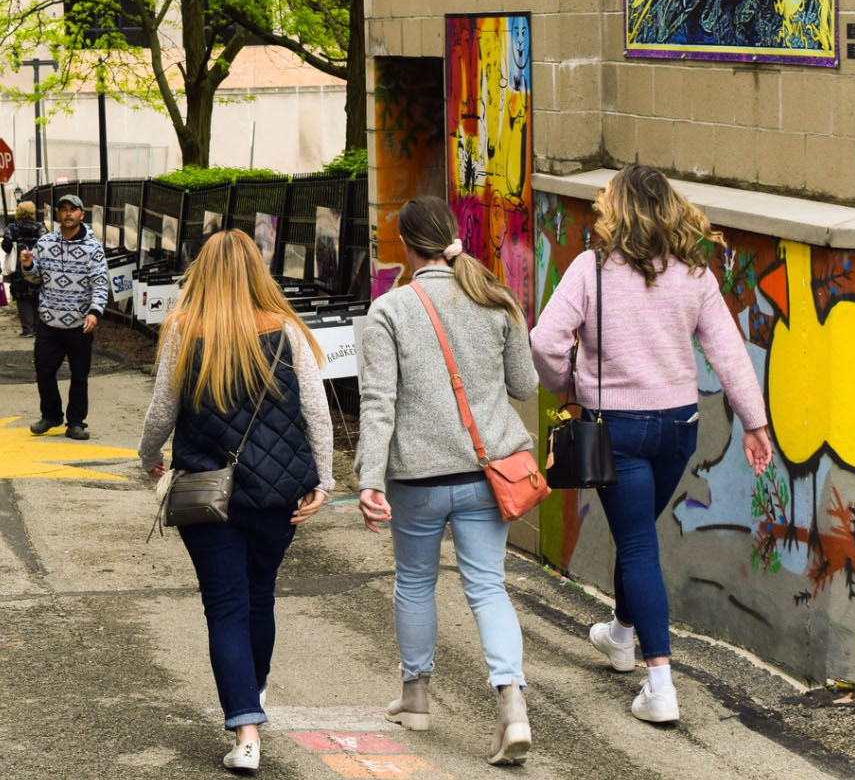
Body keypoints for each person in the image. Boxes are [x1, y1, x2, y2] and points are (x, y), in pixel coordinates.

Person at [529, 165, 773, 725]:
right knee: (635, 531)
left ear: (616, 210)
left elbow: (544, 341)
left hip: (616, 428)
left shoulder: (591, 269)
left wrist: (563, 383)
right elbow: (728, 352)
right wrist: (754, 422)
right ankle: (620, 636)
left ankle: (660, 684)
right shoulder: (694, 274)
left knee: (637, 543)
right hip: (678, 428)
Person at [138, 229, 332, 774]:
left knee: (224, 605)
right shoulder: (287, 329)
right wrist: (324, 481)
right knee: (259, 595)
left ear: (201, 271)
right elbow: (316, 412)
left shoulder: (183, 330)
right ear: (257, 271)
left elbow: (162, 411)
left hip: (208, 493)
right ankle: (255, 689)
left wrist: (148, 456)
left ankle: (246, 731)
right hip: (277, 492)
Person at [354, 196, 536, 765]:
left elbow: (378, 403)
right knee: (488, 587)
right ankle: (512, 704)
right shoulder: (496, 299)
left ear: (406, 245)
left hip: (417, 479)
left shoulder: (389, 310)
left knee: (414, 582)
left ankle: (415, 698)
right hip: (488, 474)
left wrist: (370, 478)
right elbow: (525, 385)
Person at [23, 194, 109, 440]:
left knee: (79, 374)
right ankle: (51, 415)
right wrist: (28, 265)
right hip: (49, 320)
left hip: (80, 322)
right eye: (63, 209)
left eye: (73, 209)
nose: (68, 213)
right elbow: (35, 278)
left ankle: (76, 422)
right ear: (58, 214)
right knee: (43, 370)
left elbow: (100, 283)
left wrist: (94, 312)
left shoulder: (93, 248)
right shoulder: (45, 242)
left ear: (82, 214)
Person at [2, 201, 46, 337]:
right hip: (35, 265)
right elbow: (46, 245)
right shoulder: (39, 227)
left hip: (18, 266)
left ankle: (27, 329)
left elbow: (6, 246)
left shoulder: (12, 228)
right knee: (36, 295)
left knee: (22, 298)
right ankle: (37, 328)